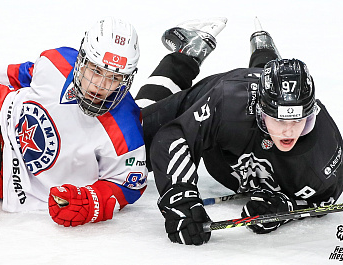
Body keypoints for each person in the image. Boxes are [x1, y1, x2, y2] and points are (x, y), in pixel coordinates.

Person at [135, 18, 343, 245]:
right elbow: (173, 137)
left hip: (240, 146)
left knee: (267, 79)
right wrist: (180, 198)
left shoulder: (324, 152)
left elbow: (324, 202)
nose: (288, 131)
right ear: (260, 110)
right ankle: (187, 53)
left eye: (298, 120)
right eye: (277, 119)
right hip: (217, 103)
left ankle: (265, 53)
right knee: (133, 138)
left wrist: (285, 206)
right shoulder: (228, 101)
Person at [0, 17, 147, 227]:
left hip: (11, 179)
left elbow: (129, 184)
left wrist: (91, 201)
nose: (100, 85)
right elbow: (17, 76)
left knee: (157, 119)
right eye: (96, 71)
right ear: (81, 61)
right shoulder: (57, 62)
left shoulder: (126, 133)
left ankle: (183, 61)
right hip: (1, 113)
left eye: (114, 78)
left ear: (126, 80)